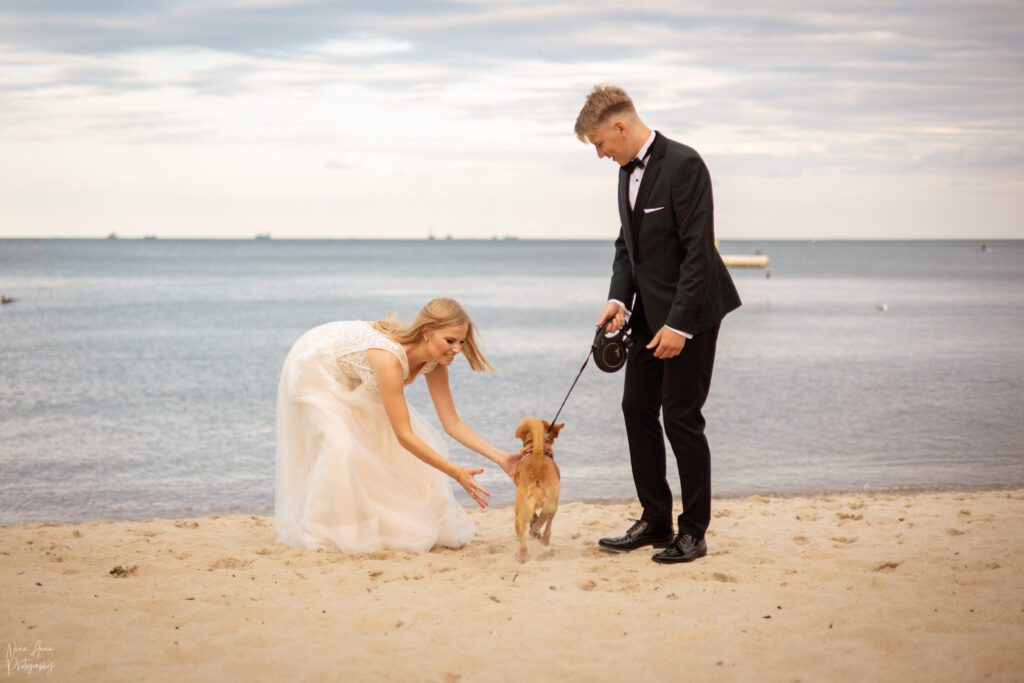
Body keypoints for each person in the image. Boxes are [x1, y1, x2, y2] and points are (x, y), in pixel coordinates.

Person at [575, 85, 742, 564]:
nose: (600, 154)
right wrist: (618, 299)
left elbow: (698, 253)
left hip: (693, 314)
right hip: (647, 313)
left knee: (682, 418)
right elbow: (627, 245)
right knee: (636, 408)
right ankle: (655, 520)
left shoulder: (685, 165)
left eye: (599, 143)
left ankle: (693, 532)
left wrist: (679, 326)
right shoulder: (625, 173)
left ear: (619, 126)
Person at [275, 297, 520, 553]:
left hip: (354, 370)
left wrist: (501, 458)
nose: (457, 349)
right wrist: (456, 472)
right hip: (315, 363)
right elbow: (404, 435)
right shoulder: (389, 360)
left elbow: (452, 423)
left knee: (384, 446)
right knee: (341, 448)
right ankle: (321, 530)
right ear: (427, 332)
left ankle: (371, 522)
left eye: (462, 342)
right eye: (450, 341)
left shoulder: (434, 364)